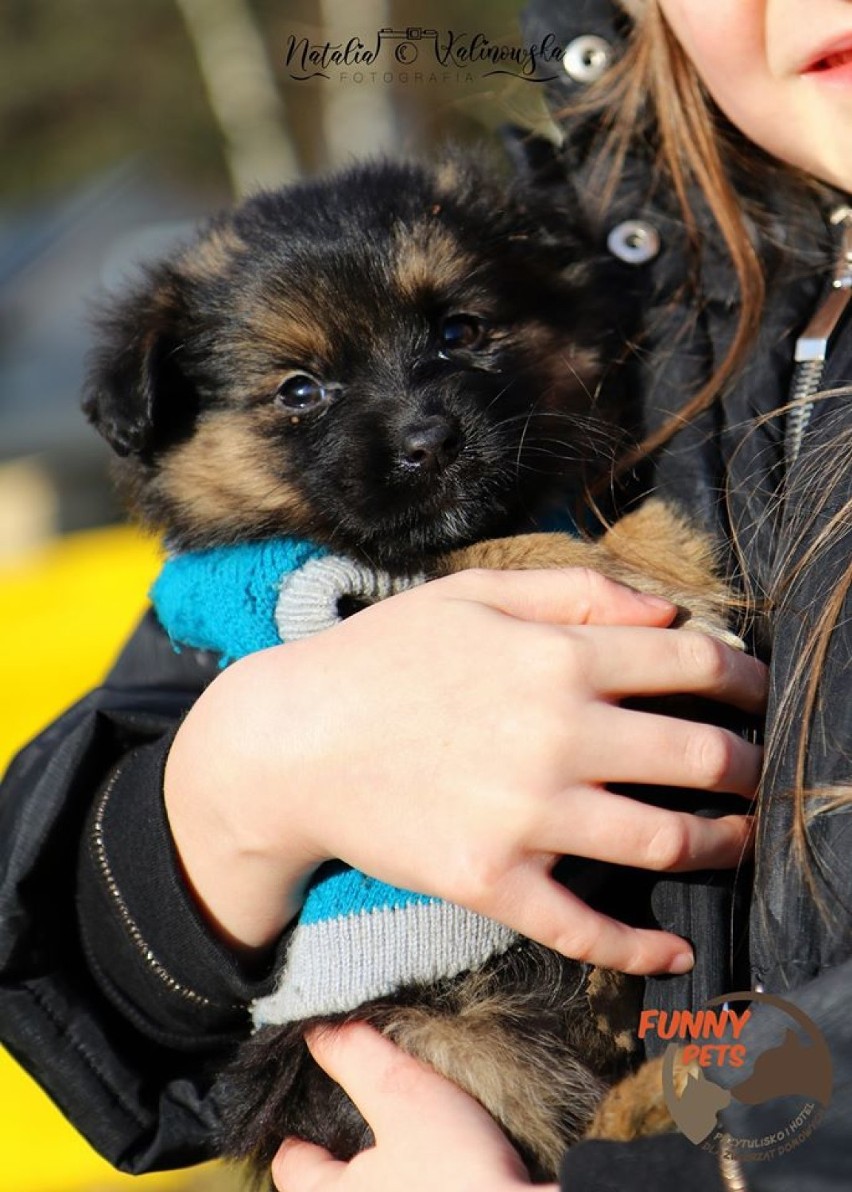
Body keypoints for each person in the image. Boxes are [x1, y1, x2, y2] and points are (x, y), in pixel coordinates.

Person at [0, 0, 848, 1189]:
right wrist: (240, 788)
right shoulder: (634, 263)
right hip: (423, 1072)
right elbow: (67, 934)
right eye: (298, 394)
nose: (421, 419)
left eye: (457, 332)